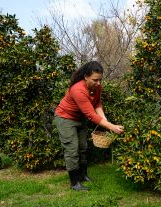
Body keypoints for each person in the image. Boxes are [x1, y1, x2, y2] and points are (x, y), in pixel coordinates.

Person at [53, 61, 124, 191]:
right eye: (95, 80)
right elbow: (91, 115)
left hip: (80, 118)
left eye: (100, 80)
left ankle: (83, 175)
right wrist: (111, 127)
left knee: (83, 147)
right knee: (72, 149)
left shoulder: (97, 86)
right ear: (86, 76)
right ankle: (74, 183)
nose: (99, 83)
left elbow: (97, 104)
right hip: (65, 118)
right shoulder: (78, 89)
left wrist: (105, 121)